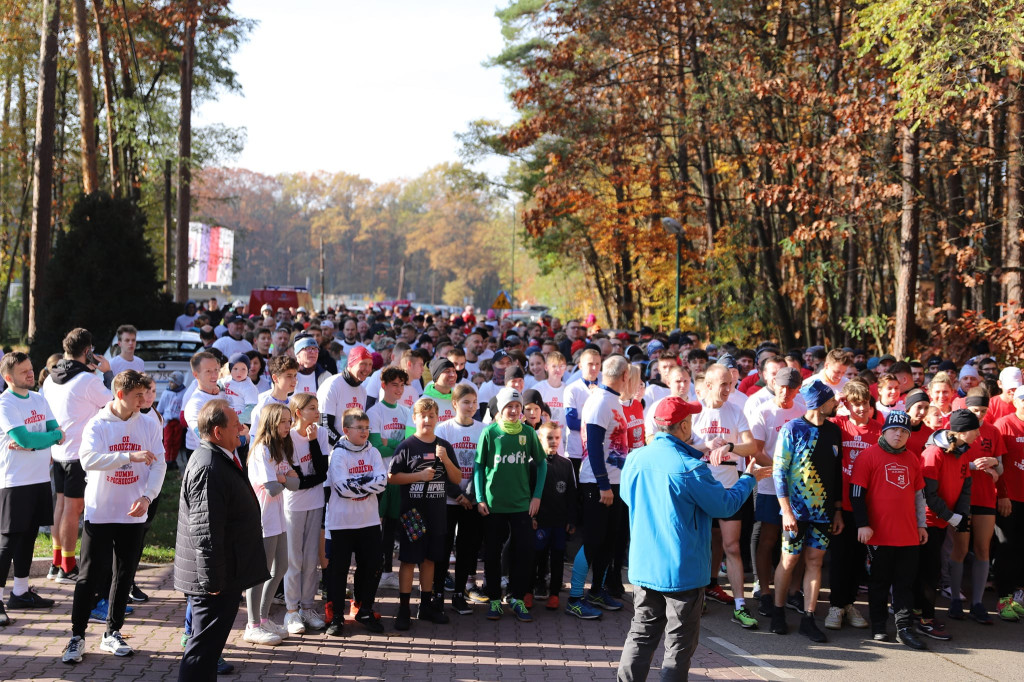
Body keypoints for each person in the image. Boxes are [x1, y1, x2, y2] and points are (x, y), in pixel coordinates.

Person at [617, 397, 765, 681]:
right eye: (690, 421)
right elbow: (724, 505)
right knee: (678, 646)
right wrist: (749, 478)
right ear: (683, 425)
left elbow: (627, 496)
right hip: (681, 572)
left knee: (641, 635)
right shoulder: (690, 468)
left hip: (645, 566)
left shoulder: (636, 458)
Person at [61, 370, 166, 663]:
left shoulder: (148, 422)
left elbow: (160, 464)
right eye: (138, 396)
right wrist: (128, 457)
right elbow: (88, 460)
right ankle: (76, 636)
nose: (144, 400)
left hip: (134, 513)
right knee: (89, 576)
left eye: (146, 395)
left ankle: (112, 632)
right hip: (101, 512)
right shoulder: (97, 424)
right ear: (120, 395)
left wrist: (148, 497)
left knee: (124, 574)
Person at [174, 399, 268, 681]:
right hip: (213, 583)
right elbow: (205, 530)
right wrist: (212, 581)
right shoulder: (209, 467)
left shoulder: (218, 457)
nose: (243, 428)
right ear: (217, 432)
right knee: (201, 653)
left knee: (209, 652)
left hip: (224, 575)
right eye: (236, 425)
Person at [771, 380, 844, 642]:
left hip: (823, 514)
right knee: (789, 560)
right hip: (795, 512)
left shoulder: (834, 432)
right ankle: (778, 612)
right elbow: (779, 471)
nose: (836, 403)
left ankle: (808, 618)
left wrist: (837, 510)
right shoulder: (793, 429)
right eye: (832, 399)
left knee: (815, 562)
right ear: (820, 403)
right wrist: (786, 510)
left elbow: (836, 474)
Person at [849, 411, 928, 649]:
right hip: (879, 535)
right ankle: (879, 626)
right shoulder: (868, 456)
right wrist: (863, 524)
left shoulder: (913, 458)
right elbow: (856, 494)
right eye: (895, 429)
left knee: (905, 584)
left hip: (908, 535)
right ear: (884, 431)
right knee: (879, 583)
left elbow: (919, 496)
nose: (899, 434)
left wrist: (921, 524)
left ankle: (904, 628)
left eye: (904, 431)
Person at [690, 363, 759, 628]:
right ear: (708, 385)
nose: (729, 389)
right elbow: (681, 447)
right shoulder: (694, 412)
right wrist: (704, 446)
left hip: (729, 488)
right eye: (723, 384)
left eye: (731, 384)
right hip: (700, 487)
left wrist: (731, 446)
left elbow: (751, 445)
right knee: (699, 545)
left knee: (731, 547)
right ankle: (696, 595)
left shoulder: (736, 410)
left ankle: (741, 605)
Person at [44, 328, 111, 584]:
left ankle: (57, 562)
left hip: (58, 451)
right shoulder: (88, 380)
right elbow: (113, 403)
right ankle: (68, 568)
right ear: (87, 351)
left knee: (60, 506)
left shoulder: (50, 378)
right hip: (79, 454)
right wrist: (106, 372)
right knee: (73, 511)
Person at [475, 387, 547, 623]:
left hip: (521, 505)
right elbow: (478, 467)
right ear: (501, 409)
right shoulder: (489, 433)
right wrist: (480, 498)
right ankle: (494, 598)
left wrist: (536, 496)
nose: (514, 410)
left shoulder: (528, 432)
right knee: (493, 554)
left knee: (524, 552)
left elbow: (542, 464)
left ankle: (516, 597)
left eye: (518, 407)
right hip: (493, 505)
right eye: (509, 407)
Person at [387, 398, 461, 630]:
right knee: (409, 560)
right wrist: (417, 477)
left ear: (438, 418)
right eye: (423, 416)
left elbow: (457, 479)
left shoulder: (444, 446)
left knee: (430, 559)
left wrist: (445, 459)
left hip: (437, 512)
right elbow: (391, 477)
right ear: (415, 418)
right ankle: (403, 608)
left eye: (431, 416)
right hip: (413, 515)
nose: (427, 420)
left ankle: (426, 605)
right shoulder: (407, 446)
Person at [0, 353, 62, 626]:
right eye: (23, 371)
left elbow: (58, 432)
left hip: (39, 479)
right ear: (8, 377)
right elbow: (22, 437)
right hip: (13, 481)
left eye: (30, 369)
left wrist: (37, 442)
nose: (29, 374)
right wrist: (39, 440)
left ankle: (21, 592)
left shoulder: (39, 398)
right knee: (8, 542)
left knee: (29, 537)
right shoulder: (4, 403)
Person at [567, 355, 630, 619]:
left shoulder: (613, 400)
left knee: (609, 541)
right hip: (597, 483)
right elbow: (592, 445)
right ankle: (575, 598)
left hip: (614, 482)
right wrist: (603, 483)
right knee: (592, 540)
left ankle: (596, 591)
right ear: (625, 376)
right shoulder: (600, 401)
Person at [914, 409, 979, 640]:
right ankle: (925, 619)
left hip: (943, 521)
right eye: (975, 429)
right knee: (928, 572)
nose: (978, 433)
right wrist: (952, 517)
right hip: (927, 522)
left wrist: (961, 514)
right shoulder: (934, 452)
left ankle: (920, 613)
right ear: (962, 431)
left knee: (930, 571)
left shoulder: (962, 452)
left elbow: (965, 486)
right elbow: (927, 494)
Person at [748, 366, 806, 617]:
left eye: (791, 388)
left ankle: (794, 592)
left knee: (796, 540)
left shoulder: (802, 412)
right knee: (768, 539)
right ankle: (765, 592)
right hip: (770, 487)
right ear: (774, 383)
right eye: (782, 386)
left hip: (798, 488)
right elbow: (755, 450)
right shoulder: (763, 411)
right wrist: (778, 470)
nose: (785, 392)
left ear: (798, 389)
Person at [325, 408, 388, 635]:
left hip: (368, 520)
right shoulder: (338, 454)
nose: (364, 432)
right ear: (345, 430)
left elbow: (382, 482)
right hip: (342, 523)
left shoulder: (373, 452)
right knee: (339, 570)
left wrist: (358, 483)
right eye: (359, 428)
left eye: (366, 428)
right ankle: (336, 617)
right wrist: (367, 481)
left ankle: (364, 608)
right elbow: (342, 489)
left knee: (372, 566)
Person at [244, 403, 299, 646]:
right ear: (272, 422)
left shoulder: (282, 448)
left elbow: (297, 483)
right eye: (284, 421)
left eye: (290, 421)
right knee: (260, 572)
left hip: (279, 515)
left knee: (281, 568)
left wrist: (281, 479)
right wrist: (282, 479)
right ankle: (252, 625)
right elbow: (274, 487)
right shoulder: (261, 450)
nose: (289, 426)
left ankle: (264, 618)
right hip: (263, 517)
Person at [825, 380, 877, 630]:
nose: (861, 408)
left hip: (866, 506)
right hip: (841, 504)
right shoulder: (837, 425)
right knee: (840, 557)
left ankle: (849, 604)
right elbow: (818, 414)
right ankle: (835, 605)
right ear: (846, 404)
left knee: (858, 560)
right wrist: (836, 401)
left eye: (864, 403)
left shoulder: (880, 430)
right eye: (855, 403)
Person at [433, 383, 486, 614]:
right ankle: (436, 593)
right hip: (447, 499)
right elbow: (437, 467)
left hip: (471, 501)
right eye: (466, 402)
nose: (471, 406)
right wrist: (457, 494)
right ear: (454, 404)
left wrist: (471, 496)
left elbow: (482, 466)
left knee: (467, 548)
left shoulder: (483, 429)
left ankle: (459, 593)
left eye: (474, 402)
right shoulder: (443, 430)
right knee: (443, 548)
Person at [282, 393, 329, 635]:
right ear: (298, 412)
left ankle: (307, 607)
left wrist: (313, 442)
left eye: (317, 407)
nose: (317, 412)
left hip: (316, 502)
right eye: (312, 408)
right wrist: (306, 480)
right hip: (293, 505)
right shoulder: (287, 437)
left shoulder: (319, 434)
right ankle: (291, 611)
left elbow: (322, 472)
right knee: (294, 559)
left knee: (311, 559)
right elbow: (296, 481)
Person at [366, 367, 413, 591]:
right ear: (383, 385)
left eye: (402, 385)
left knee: (394, 527)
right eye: (394, 384)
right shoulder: (375, 412)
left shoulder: (406, 412)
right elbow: (375, 446)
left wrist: (390, 444)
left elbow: (410, 445)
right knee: (376, 527)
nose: (399, 389)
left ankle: (387, 571)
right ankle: (372, 569)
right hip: (380, 477)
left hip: (400, 478)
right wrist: (397, 445)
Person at [961, 388, 1003, 624]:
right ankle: (956, 600)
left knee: (983, 549)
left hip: (986, 497)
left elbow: (1001, 470)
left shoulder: (993, 431)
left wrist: (995, 462)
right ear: (966, 407)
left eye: (983, 410)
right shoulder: (955, 426)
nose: (979, 414)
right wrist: (975, 467)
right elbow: (947, 462)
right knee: (958, 550)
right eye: (975, 409)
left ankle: (977, 603)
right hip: (961, 497)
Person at [530, 421, 576, 610]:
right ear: (540, 439)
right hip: (539, 522)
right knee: (535, 557)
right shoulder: (532, 465)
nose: (554, 441)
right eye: (549, 438)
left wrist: (572, 519)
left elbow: (572, 494)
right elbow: (527, 492)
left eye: (557, 438)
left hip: (559, 522)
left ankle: (554, 594)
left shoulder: (566, 464)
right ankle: (529, 590)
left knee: (557, 558)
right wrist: (530, 517)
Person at [994, 385, 1024, 622]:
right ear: (1016, 401)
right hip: (1010, 498)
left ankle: (1019, 598)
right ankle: (1004, 598)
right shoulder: (1004, 424)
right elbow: (998, 464)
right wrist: (1002, 494)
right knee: (1007, 548)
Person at [318, 345, 373, 445]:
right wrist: (344, 445)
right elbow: (324, 425)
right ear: (351, 364)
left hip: (352, 451)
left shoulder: (362, 390)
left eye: (370, 364)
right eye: (363, 364)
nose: (367, 369)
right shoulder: (332, 385)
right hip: (332, 452)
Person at [563, 348, 602, 479]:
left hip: (599, 450)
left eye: (597, 364)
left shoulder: (604, 389)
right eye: (590, 364)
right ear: (580, 365)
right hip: (576, 451)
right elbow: (572, 423)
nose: (594, 368)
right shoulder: (572, 389)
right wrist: (597, 426)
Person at [182, 352, 224, 461]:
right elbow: (203, 435)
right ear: (196, 375)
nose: (215, 375)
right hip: (207, 459)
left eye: (216, 370)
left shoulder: (222, 393)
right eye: (208, 371)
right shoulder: (194, 404)